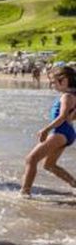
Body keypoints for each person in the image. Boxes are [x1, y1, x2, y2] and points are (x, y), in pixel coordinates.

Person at [20, 65, 76, 196]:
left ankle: (25, 192)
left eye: (53, 82)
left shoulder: (67, 96)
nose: (52, 86)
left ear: (63, 80)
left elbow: (62, 116)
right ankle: (74, 184)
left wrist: (46, 130)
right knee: (49, 165)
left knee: (31, 159)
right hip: (67, 133)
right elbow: (69, 117)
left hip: (61, 132)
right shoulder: (71, 95)